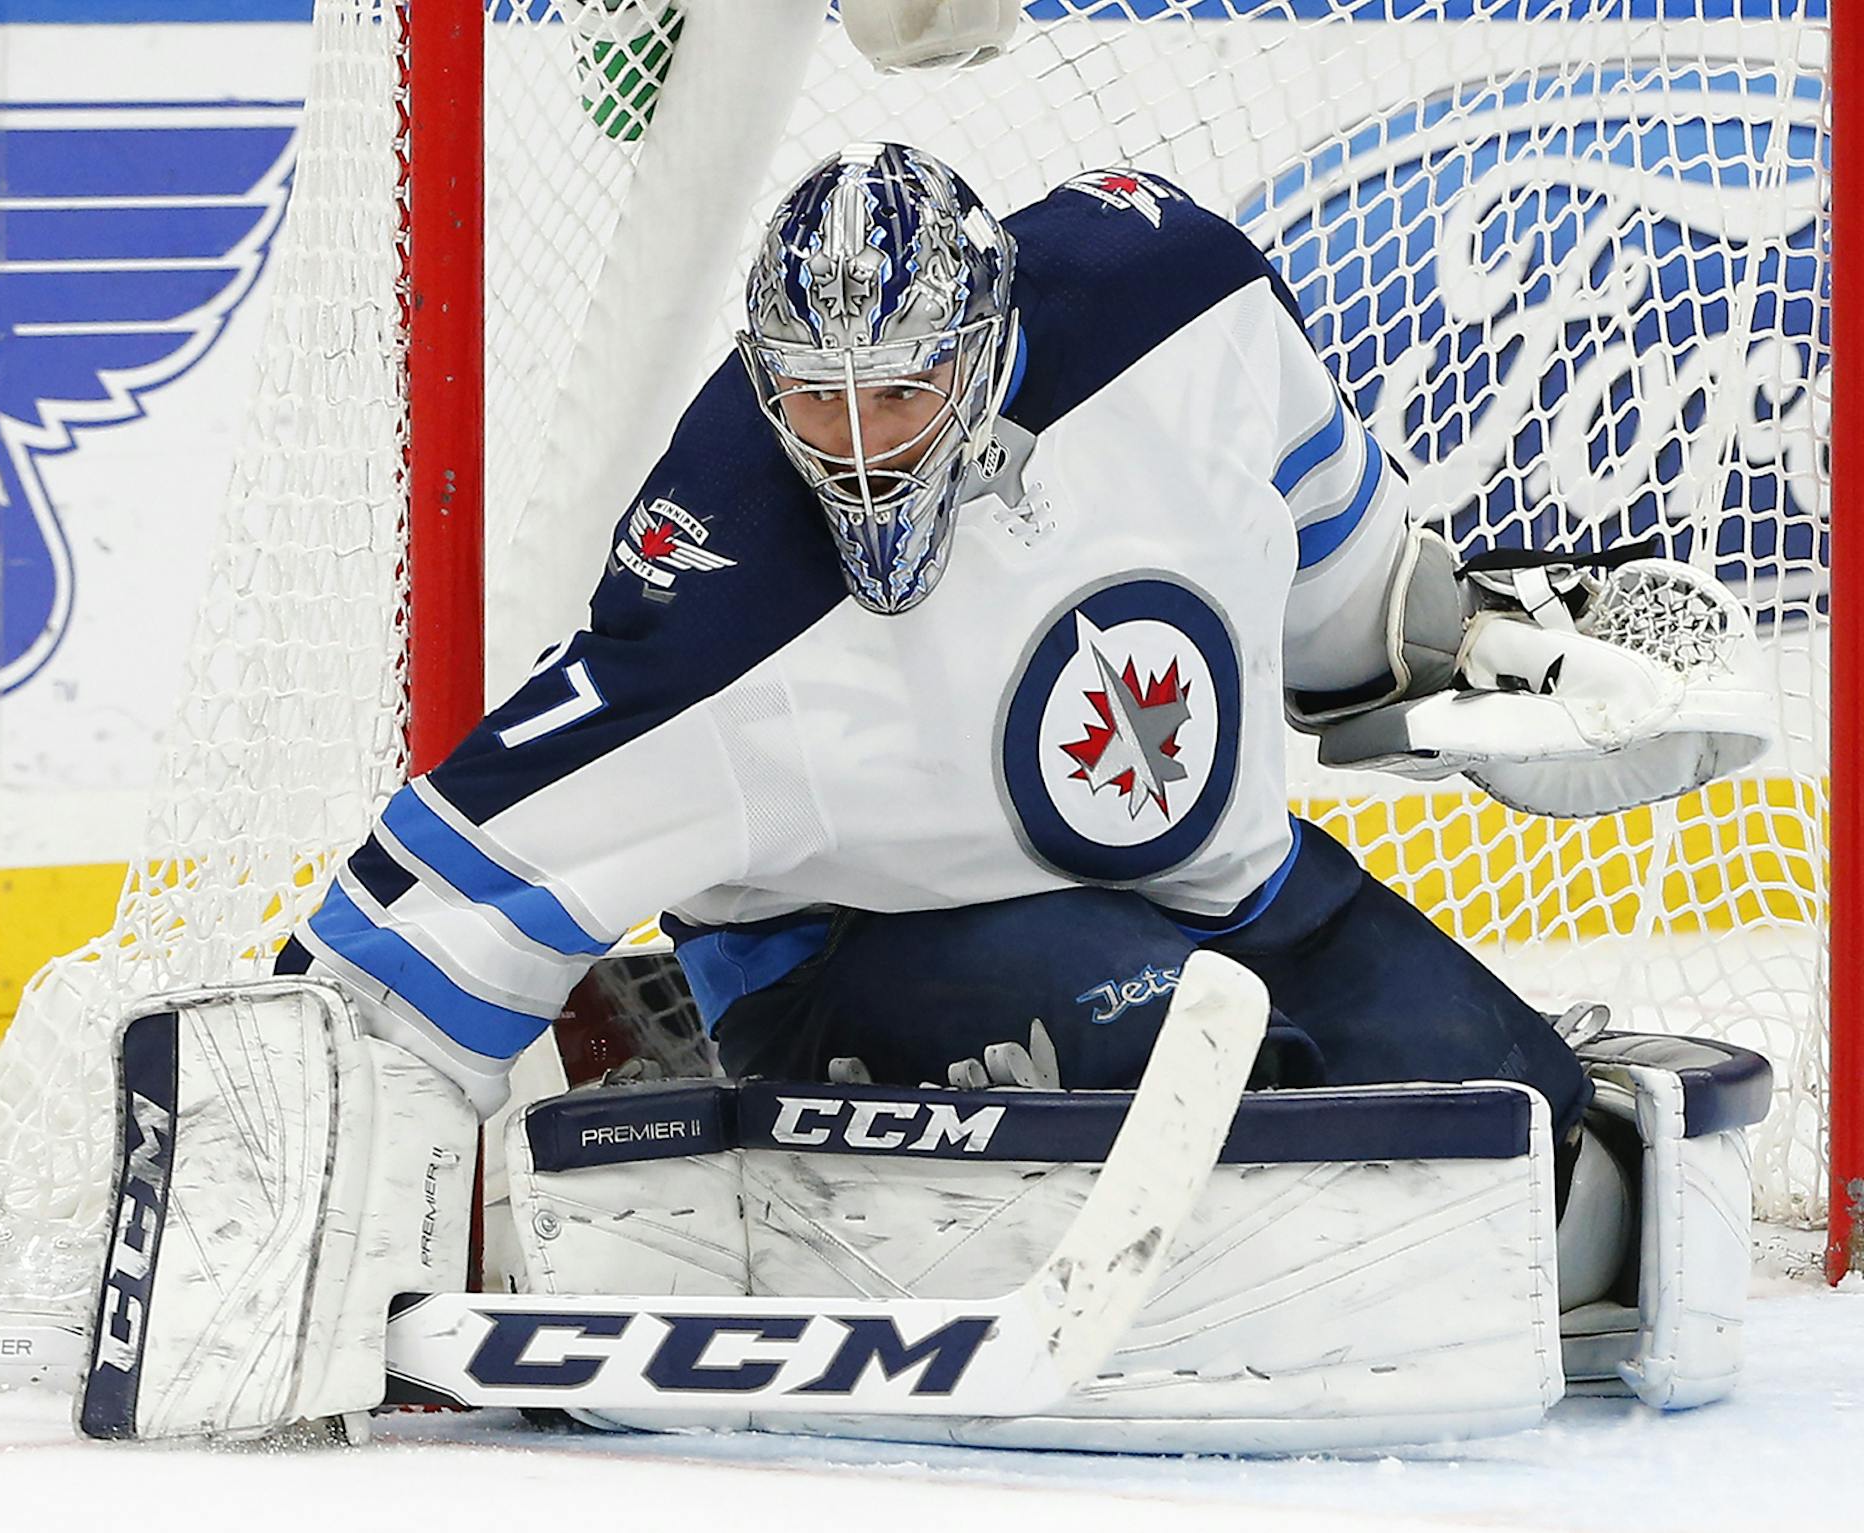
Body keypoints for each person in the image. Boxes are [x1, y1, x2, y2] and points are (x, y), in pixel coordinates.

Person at [273, 140, 1591, 1147]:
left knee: (1539, 1134)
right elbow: (448, 898)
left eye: (900, 390)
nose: (855, 443)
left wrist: (1483, 649)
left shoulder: (1188, 306)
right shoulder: (726, 601)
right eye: (812, 399)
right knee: (1231, 1084)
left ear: (988, 345)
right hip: (857, 951)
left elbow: (1345, 618)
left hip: (1235, 894)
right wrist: (295, 1120)